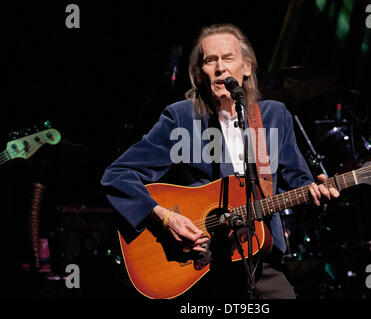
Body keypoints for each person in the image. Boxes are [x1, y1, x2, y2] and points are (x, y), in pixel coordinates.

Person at [101, 23, 339, 299]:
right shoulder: (181, 118)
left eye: (228, 58)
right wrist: (166, 218)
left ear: (247, 67)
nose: (220, 68)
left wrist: (315, 192)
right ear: (199, 74)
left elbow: (298, 180)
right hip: (199, 263)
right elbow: (117, 175)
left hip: (261, 258)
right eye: (210, 60)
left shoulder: (275, 116)